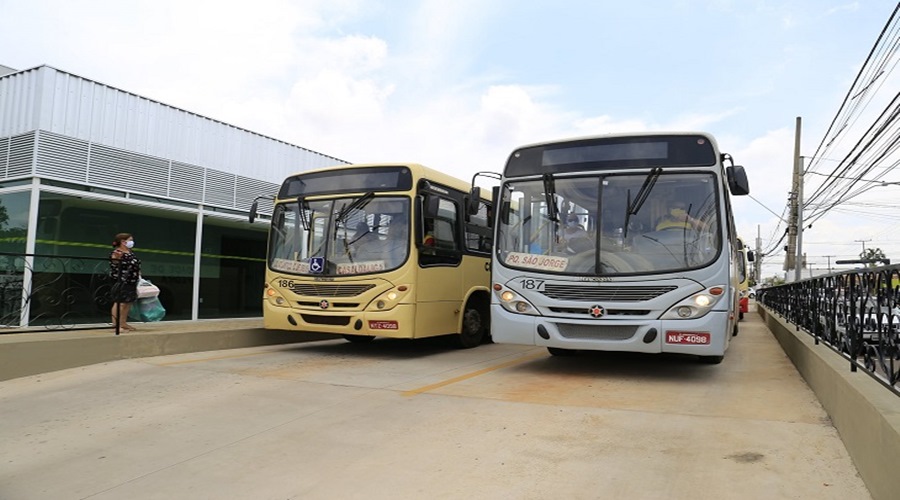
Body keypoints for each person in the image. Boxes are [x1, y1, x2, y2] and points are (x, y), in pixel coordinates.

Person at [109, 232, 141, 331]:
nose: (132, 242)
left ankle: (123, 323)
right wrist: (117, 258)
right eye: (130, 240)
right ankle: (116, 324)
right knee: (120, 302)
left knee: (128, 302)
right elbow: (114, 263)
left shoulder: (130, 253)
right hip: (121, 280)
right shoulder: (117, 252)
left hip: (132, 280)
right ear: (123, 242)